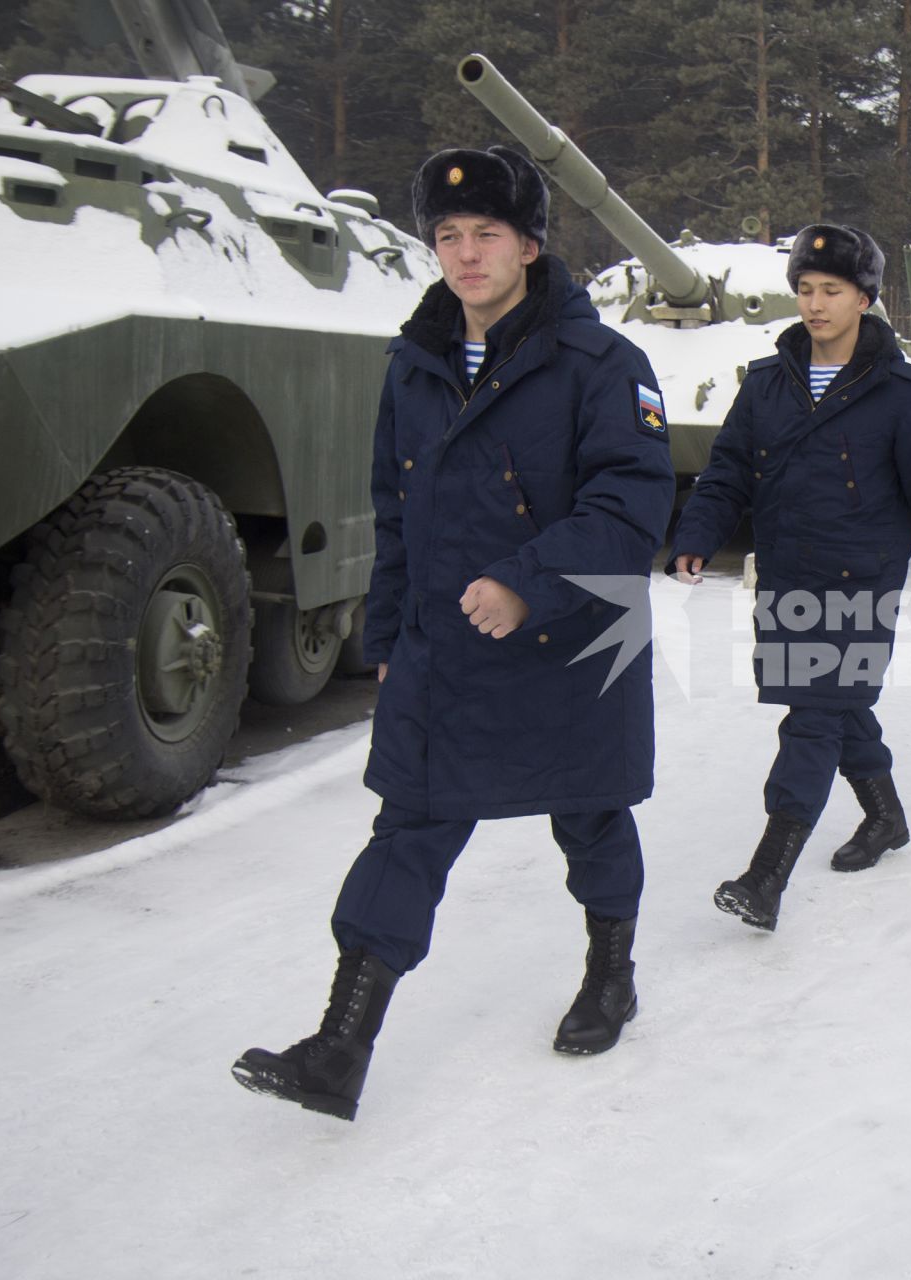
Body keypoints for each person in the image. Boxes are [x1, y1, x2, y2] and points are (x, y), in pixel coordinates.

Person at [232, 144, 677, 1120]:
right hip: (446, 649)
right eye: (448, 235)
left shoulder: (607, 365)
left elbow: (631, 508)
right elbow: (398, 512)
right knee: (407, 828)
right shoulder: (415, 366)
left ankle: (611, 973)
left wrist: (527, 583)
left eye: (487, 235)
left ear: (528, 244)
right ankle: (340, 1047)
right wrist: (387, 633)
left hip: (574, 646)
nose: (466, 253)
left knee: (591, 813)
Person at [667, 225, 911, 928]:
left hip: (859, 582)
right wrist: (697, 532)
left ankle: (766, 874)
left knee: (812, 718)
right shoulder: (767, 383)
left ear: (865, 298)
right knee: (836, 706)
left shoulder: (900, 392)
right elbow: (727, 470)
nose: (815, 305)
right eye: (806, 290)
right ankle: (887, 818)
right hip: (787, 578)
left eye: (832, 291)